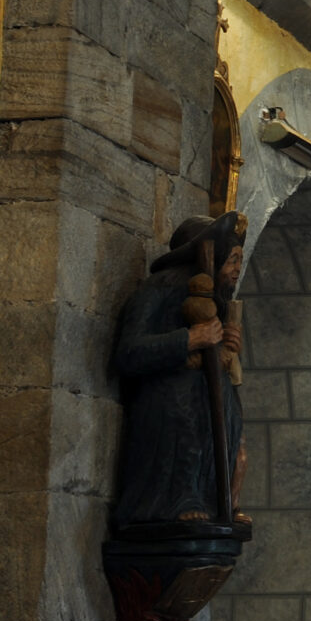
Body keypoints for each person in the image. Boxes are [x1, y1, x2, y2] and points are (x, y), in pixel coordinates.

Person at [110, 212, 247, 532]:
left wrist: (228, 348)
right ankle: (175, 502)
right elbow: (129, 352)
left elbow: (221, 364)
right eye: (232, 260)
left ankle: (219, 500)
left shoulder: (221, 303)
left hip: (211, 414)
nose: (237, 269)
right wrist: (188, 339)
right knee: (185, 423)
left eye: (239, 261)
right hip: (169, 412)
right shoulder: (158, 289)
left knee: (237, 453)